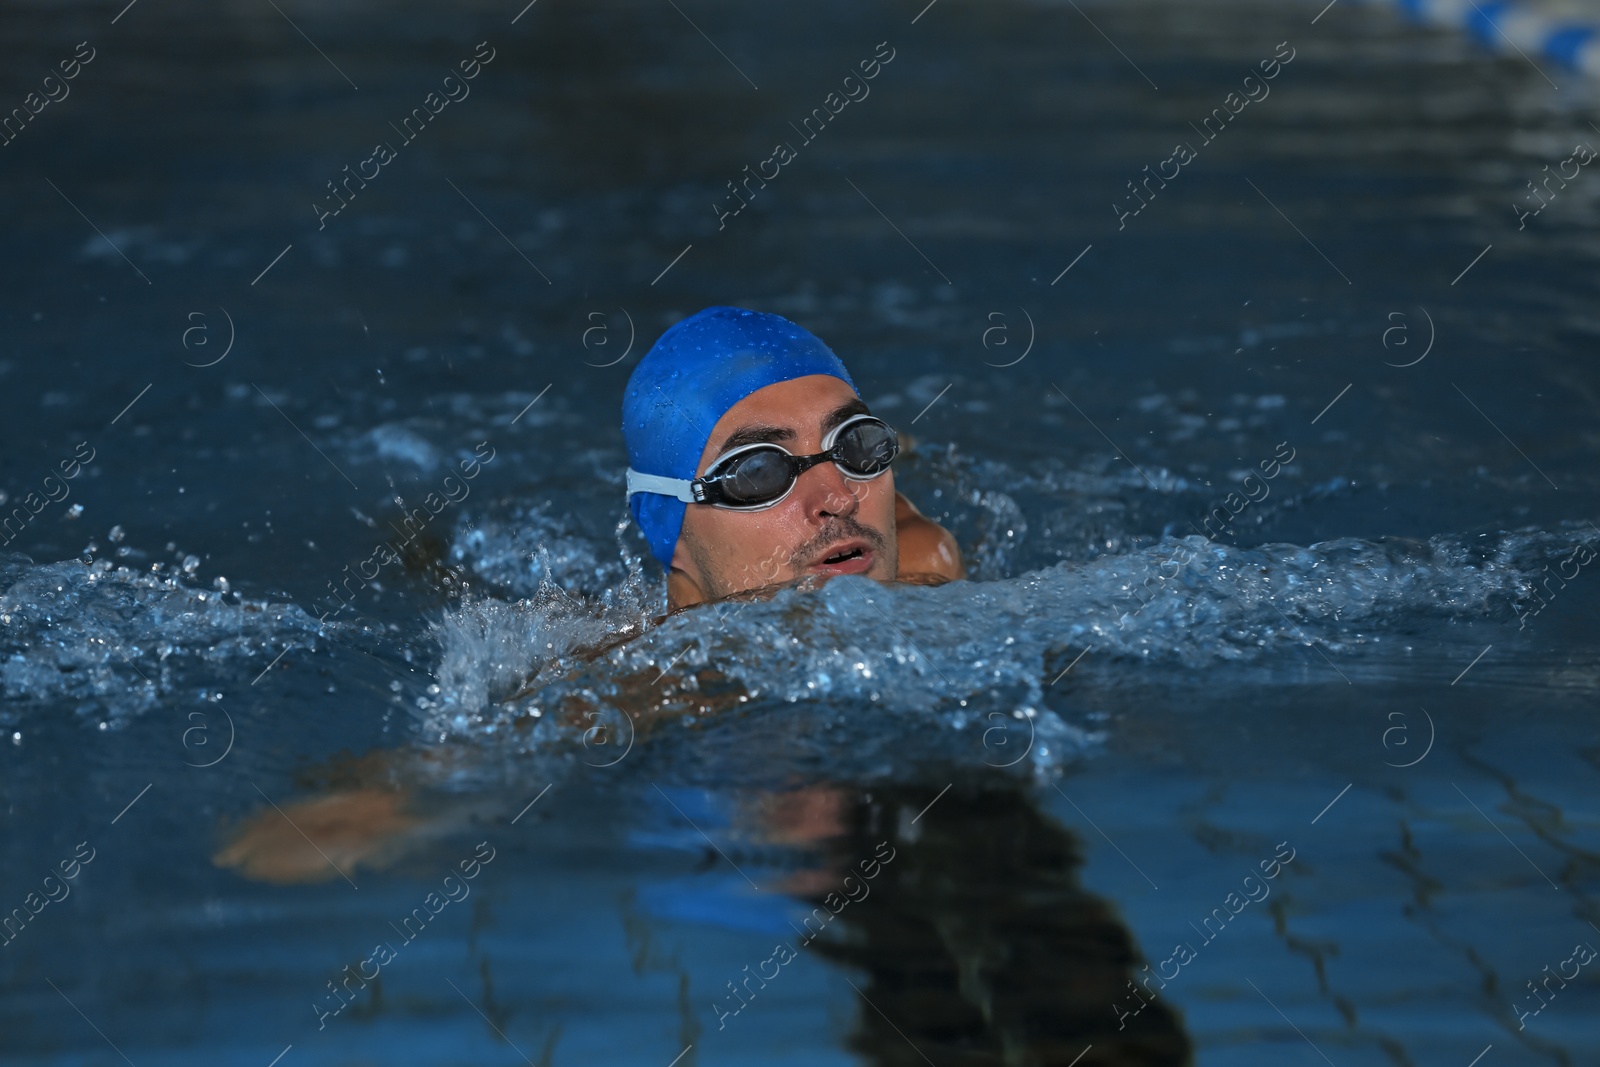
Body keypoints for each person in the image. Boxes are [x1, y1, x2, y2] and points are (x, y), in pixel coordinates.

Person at [621, 306, 964, 611]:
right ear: (672, 533)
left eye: (854, 443)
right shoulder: (640, 677)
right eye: (761, 472)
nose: (841, 499)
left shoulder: (931, 573)